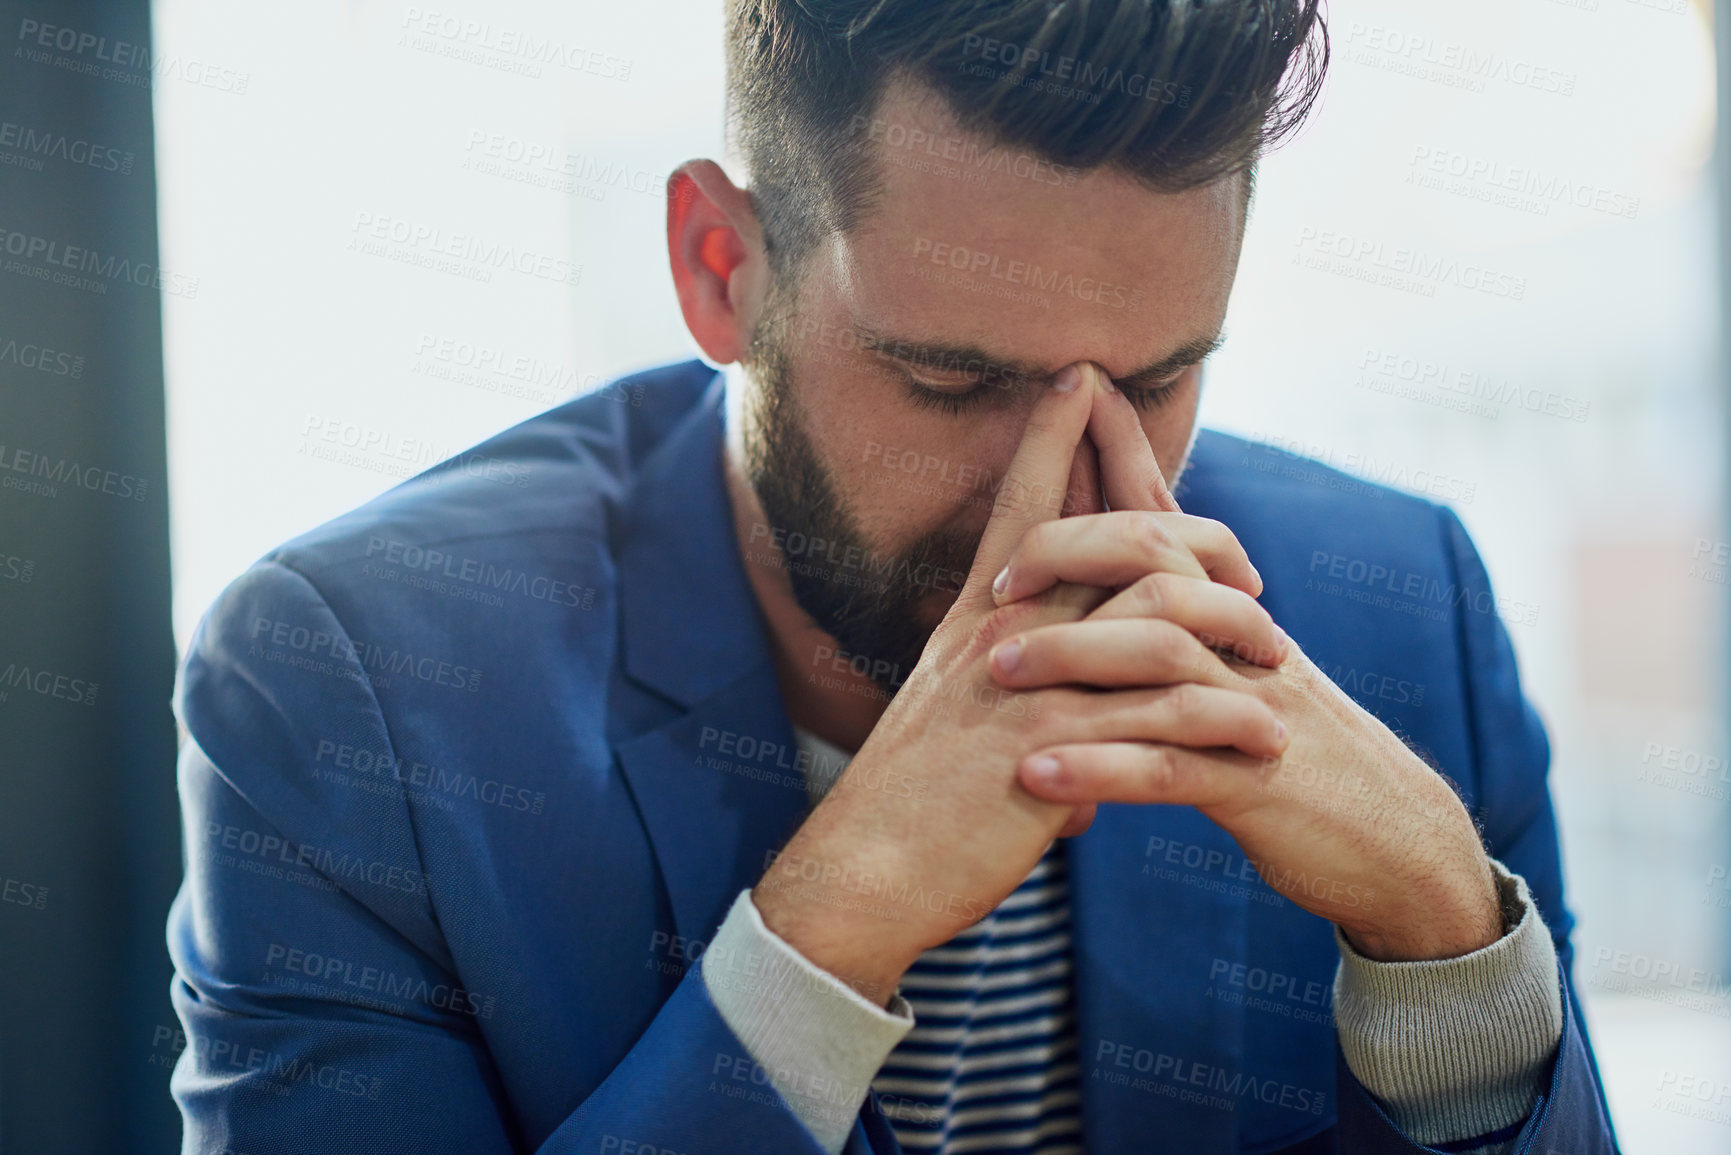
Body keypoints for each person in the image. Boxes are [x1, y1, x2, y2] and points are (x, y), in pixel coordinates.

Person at [165, 1, 1620, 1152]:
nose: (1061, 488)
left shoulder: (1397, 602)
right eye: (947, 382)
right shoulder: (352, 690)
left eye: (1161, 378)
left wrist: (1444, 944)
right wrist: (830, 931)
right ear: (722, 265)